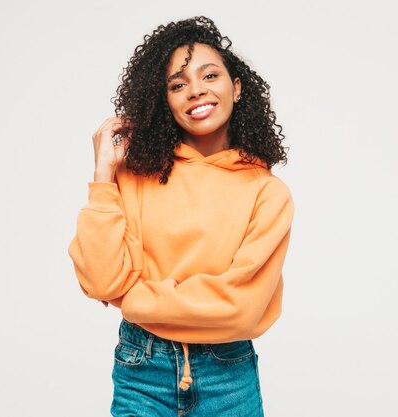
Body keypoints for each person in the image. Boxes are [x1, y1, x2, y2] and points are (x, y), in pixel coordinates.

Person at [68, 16, 294, 417]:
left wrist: (135, 298)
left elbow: (240, 309)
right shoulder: (134, 175)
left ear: (236, 87)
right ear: (164, 100)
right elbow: (101, 280)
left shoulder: (266, 192)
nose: (196, 91)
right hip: (142, 373)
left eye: (210, 75)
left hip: (229, 378)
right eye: (177, 84)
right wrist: (103, 174)